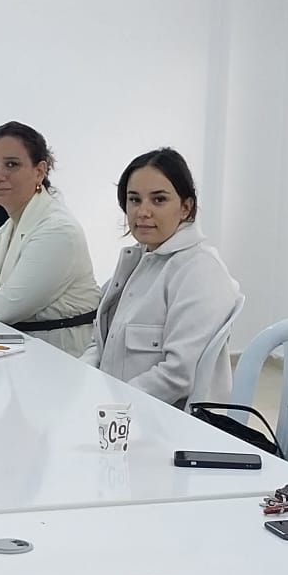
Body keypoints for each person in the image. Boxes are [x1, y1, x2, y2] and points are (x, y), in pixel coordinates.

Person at [81, 148, 240, 406]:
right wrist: (81, 381)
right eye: (134, 200)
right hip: (117, 411)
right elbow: (99, 343)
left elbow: (178, 376)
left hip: (161, 419)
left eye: (159, 200)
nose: (143, 212)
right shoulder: (137, 260)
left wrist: (109, 404)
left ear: (186, 207)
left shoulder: (199, 271)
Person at [0, 122, 101, 358]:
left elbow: (7, 306)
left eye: (11, 164)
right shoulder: (12, 224)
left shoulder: (57, 229)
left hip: (58, 360)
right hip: (17, 352)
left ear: (39, 171)